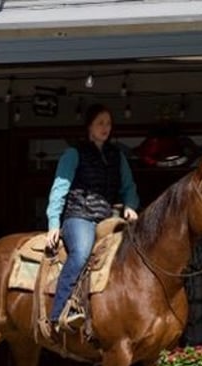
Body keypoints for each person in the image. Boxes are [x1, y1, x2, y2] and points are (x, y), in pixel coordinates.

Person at [42, 103, 139, 337]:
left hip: (107, 217)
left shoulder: (118, 156)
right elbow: (59, 188)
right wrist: (54, 223)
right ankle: (59, 312)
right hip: (79, 217)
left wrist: (131, 206)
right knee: (82, 252)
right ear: (89, 127)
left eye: (108, 123)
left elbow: (129, 187)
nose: (106, 128)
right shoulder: (73, 153)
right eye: (100, 123)